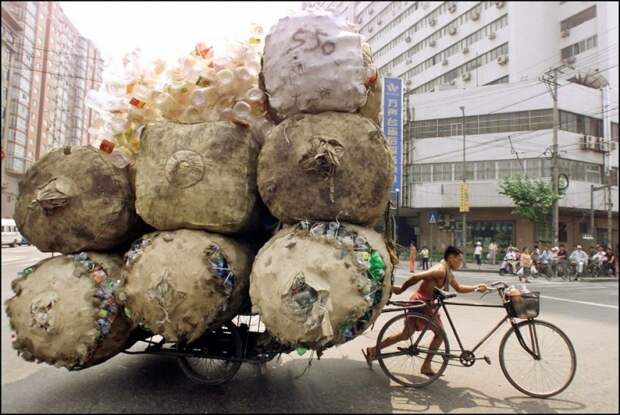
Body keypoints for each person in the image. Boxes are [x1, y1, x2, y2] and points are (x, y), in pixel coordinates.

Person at [362, 246, 489, 376]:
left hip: (423, 302)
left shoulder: (447, 271)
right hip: (422, 303)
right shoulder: (440, 270)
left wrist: (477, 288)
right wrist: (400, 290)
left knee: (406, 334)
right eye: (459, 260)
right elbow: (416, 277)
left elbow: (459, 288)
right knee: (440, 335)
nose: (461, 263)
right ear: (451, 258)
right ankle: (426, 366)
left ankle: (373, 350)